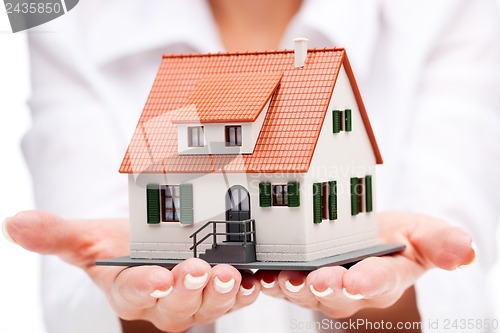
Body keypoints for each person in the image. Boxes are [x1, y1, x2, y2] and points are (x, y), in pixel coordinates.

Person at [3, 0, 500, 332]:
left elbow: (457, 296)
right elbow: (74, 302)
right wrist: (142, 311)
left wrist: (386, 301)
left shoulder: (451, 9)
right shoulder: (58, 12)